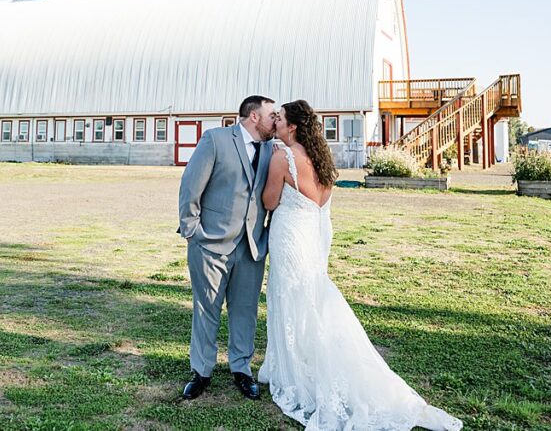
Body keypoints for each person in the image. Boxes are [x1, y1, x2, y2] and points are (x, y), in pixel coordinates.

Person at [259, 99, 463, 431]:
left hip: (289, 239)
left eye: (279, 118)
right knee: (309, 300)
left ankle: (295, 369)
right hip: (309, 239)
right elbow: (320, 205)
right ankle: (298, 361)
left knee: (289, 299)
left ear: (292, 126)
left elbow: (270, 201)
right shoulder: (322, 159)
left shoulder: (282, 157)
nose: (275, 123)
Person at [177, 95, 276, 400]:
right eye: (272, 114)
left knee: (245, 310)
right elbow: (190, 187)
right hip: (210, 244)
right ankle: (202, 371)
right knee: (207, 308)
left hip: (252, 246)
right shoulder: (215, 140)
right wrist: (193, 231)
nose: (277, 120)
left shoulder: (273, 149)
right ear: (254, 116)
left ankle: (241, 369)